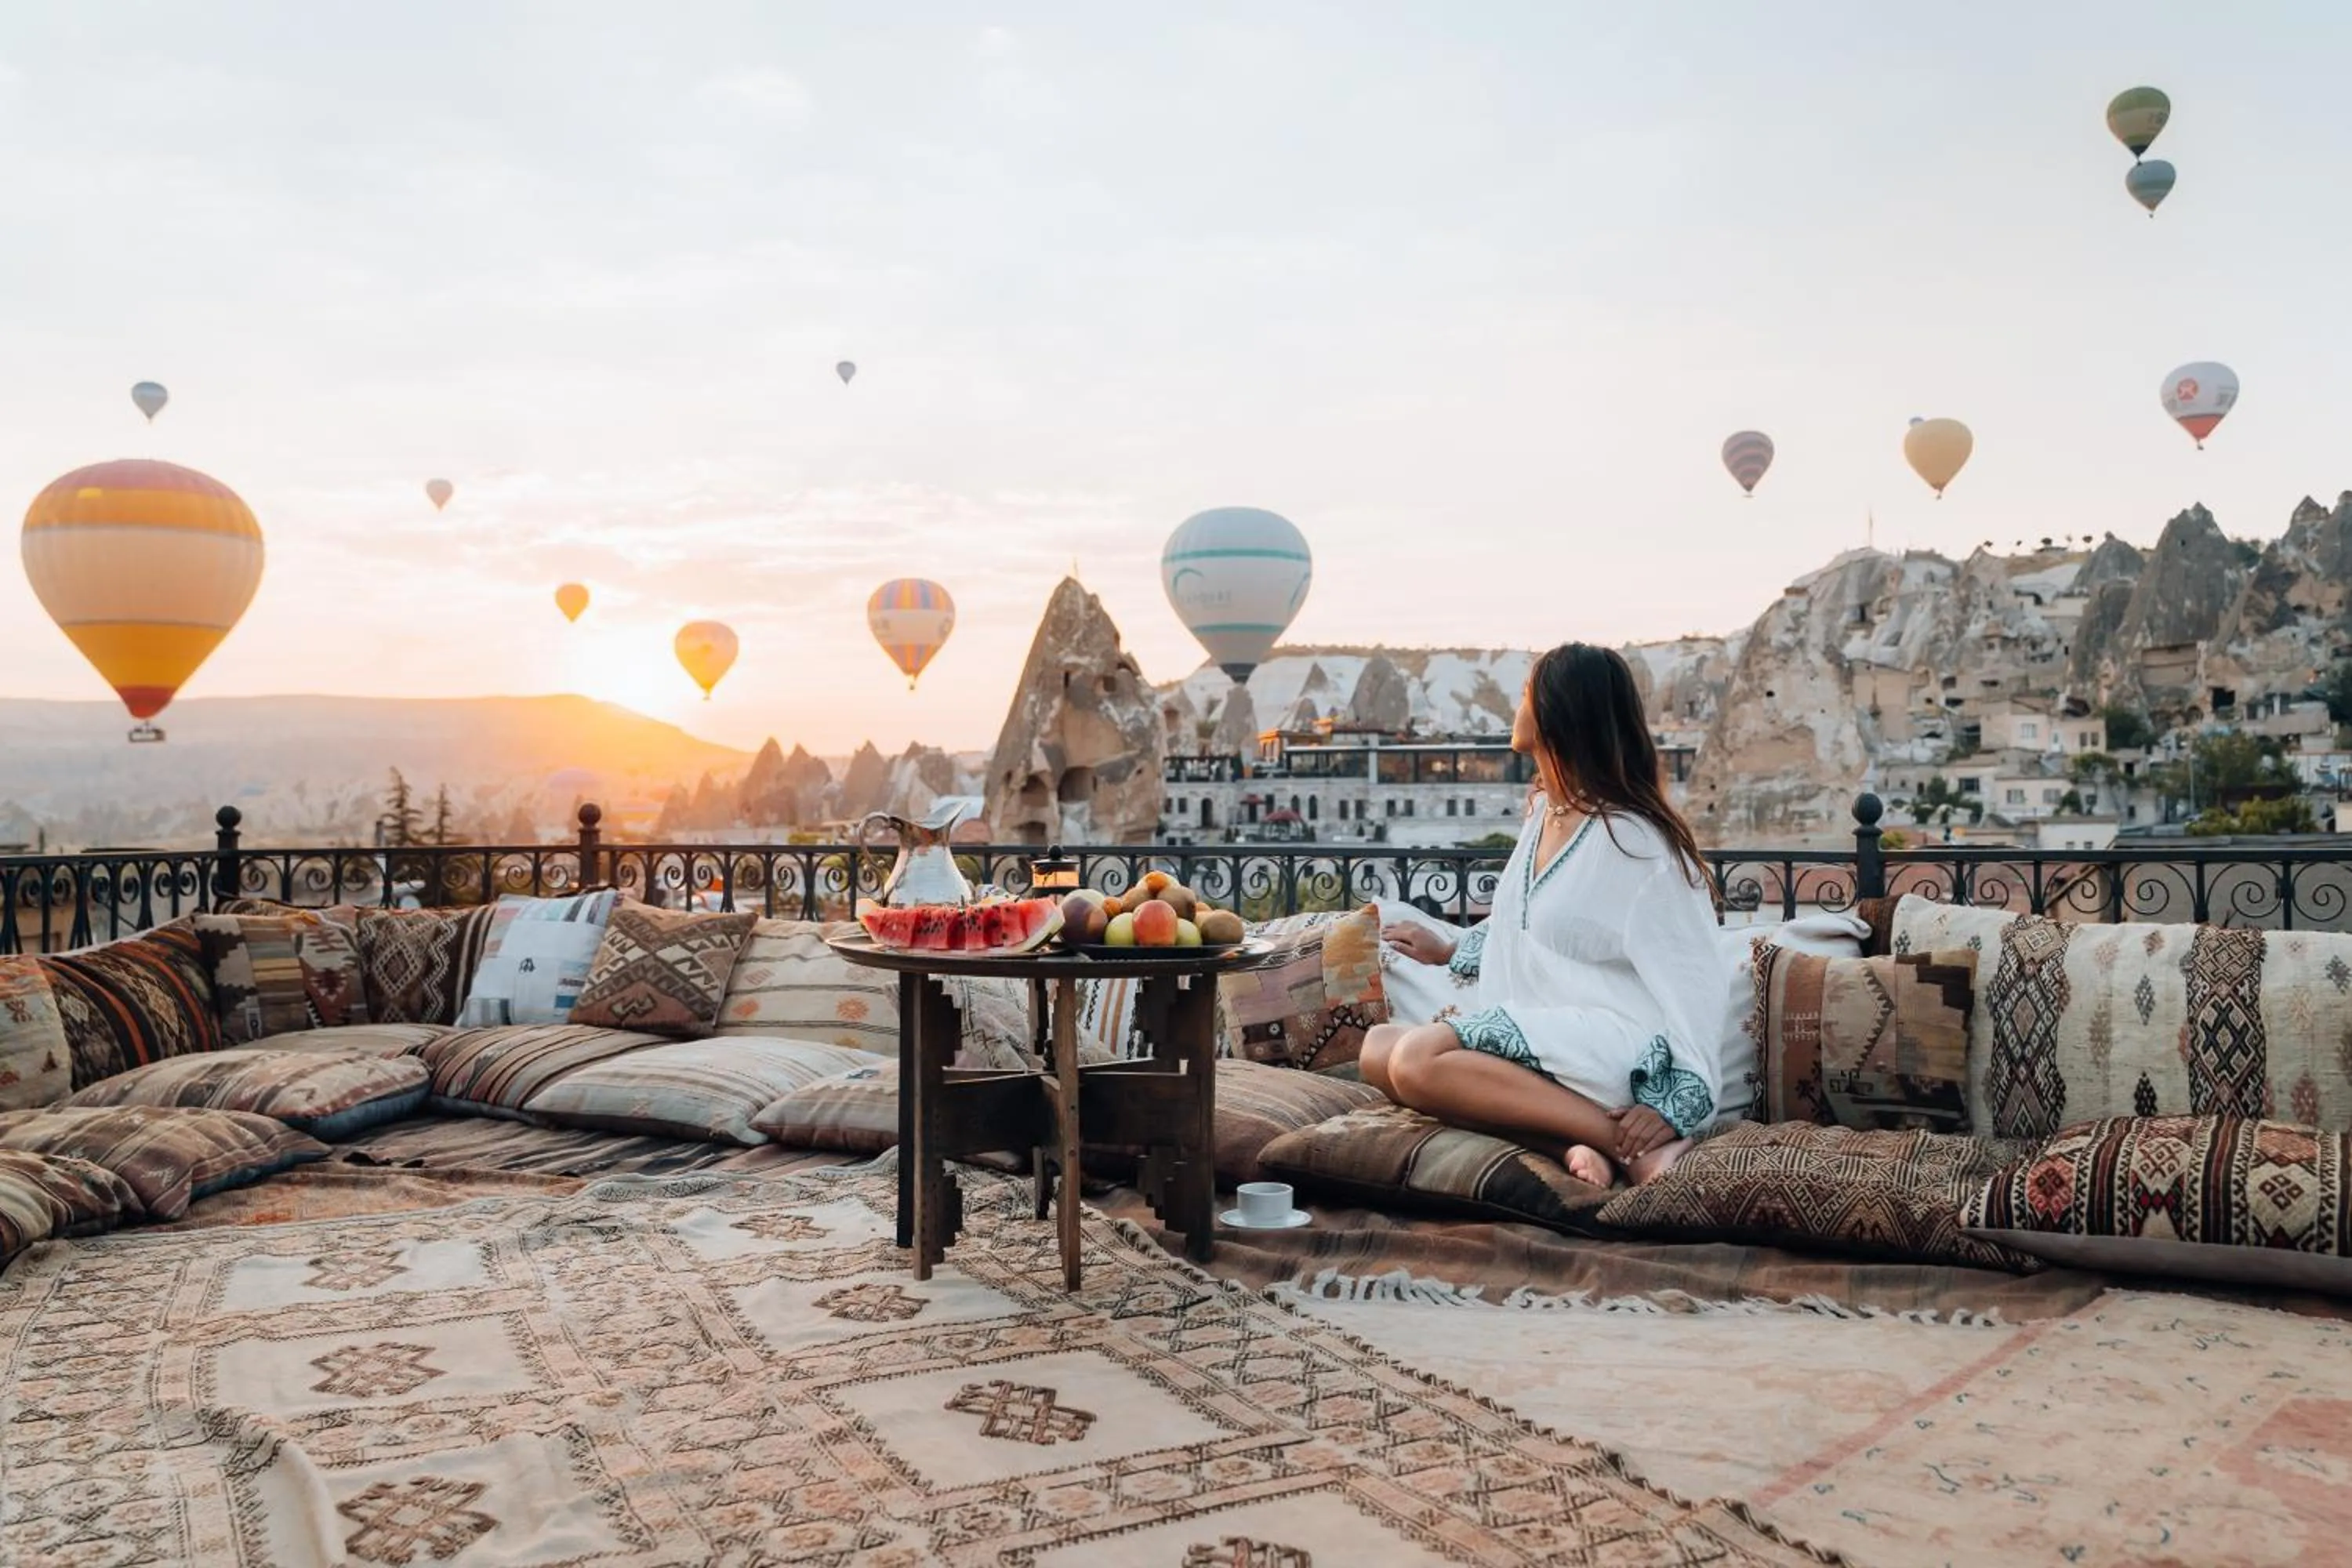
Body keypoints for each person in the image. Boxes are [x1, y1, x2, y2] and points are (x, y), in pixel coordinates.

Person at [1358, 642, 1733, 1187]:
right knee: (1376, 1051)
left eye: (1527, 693)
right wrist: (1451, 949)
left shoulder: (1636, 844)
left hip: (1611, 1047)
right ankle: (1570, 1144)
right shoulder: (1545, 814)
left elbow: (1697, 979)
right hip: (1548, 1035)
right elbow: (1527, 927)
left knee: (1416, 1060)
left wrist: (1679, 1100)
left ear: (1559, 712)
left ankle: (1627, 1148)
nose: (1518, 705)